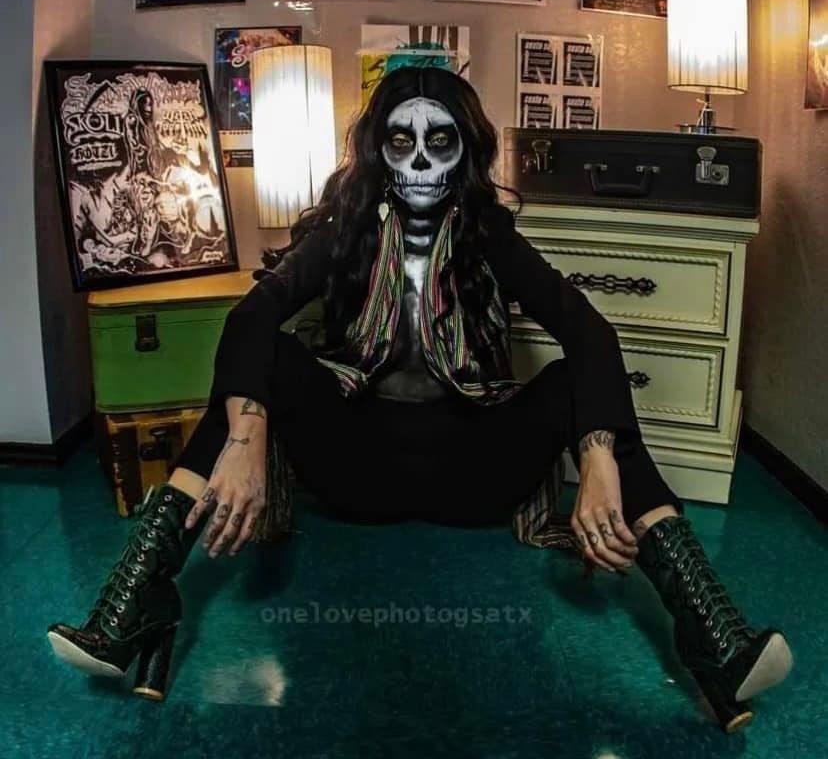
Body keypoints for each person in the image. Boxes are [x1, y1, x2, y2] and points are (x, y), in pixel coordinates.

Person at [47, 66, 792, 732]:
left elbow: (588, 332)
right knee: (262, 355)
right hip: (358, 468)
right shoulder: (344, 231)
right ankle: (137, 599)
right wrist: (247, 440)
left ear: (466, 152)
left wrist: (597, 460)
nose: (421, 162)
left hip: (474, 470)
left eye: (440, 142)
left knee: (577, 382)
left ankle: (709, 631)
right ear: (378, 151)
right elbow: (252, 317)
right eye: (402, 143)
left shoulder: (488, 233)